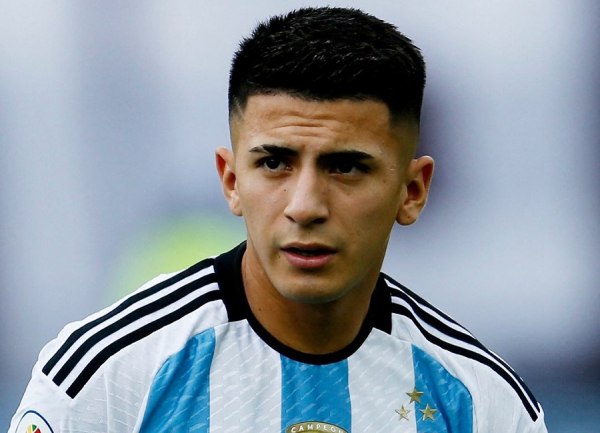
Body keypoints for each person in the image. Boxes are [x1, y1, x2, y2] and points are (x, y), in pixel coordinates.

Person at [8, 7, 547, 433]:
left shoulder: (481, 401)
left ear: (412, 191)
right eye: (274, 163)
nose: (305, 205)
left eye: (345, 167)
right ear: (231, 181)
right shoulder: (105, 376)